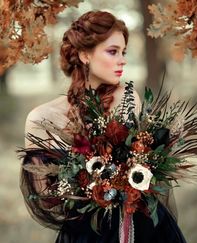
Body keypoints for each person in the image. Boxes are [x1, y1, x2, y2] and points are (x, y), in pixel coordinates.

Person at [20, 10, 187, 243]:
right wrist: (87, 185)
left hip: (142, 229)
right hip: (89, 234)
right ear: (84, 55)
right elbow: (45, 198)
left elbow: (151, 178)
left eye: (123, 52)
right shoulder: (42, 119)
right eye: (113, 51)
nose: (123, 59)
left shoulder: (127, 99)